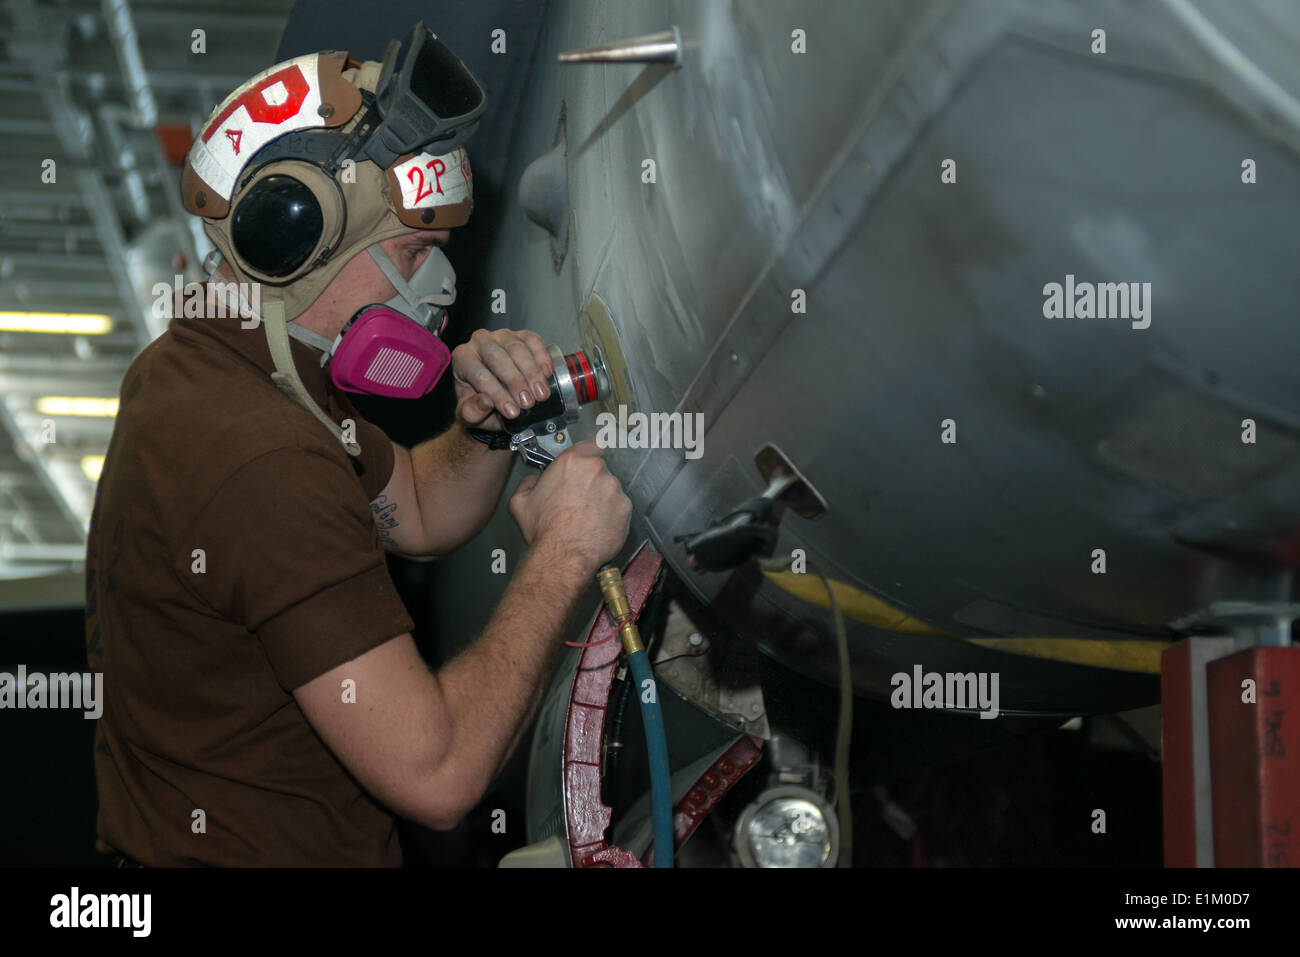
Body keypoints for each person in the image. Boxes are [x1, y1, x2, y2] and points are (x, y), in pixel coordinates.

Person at [84, 25, 630, 866]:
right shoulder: (259, 457)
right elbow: (439, 775)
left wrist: (489, 425)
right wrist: (563, 554)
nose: (441, 287)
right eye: (415, 251)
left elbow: (409, 508)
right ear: (293, 240)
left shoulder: (216, 366)